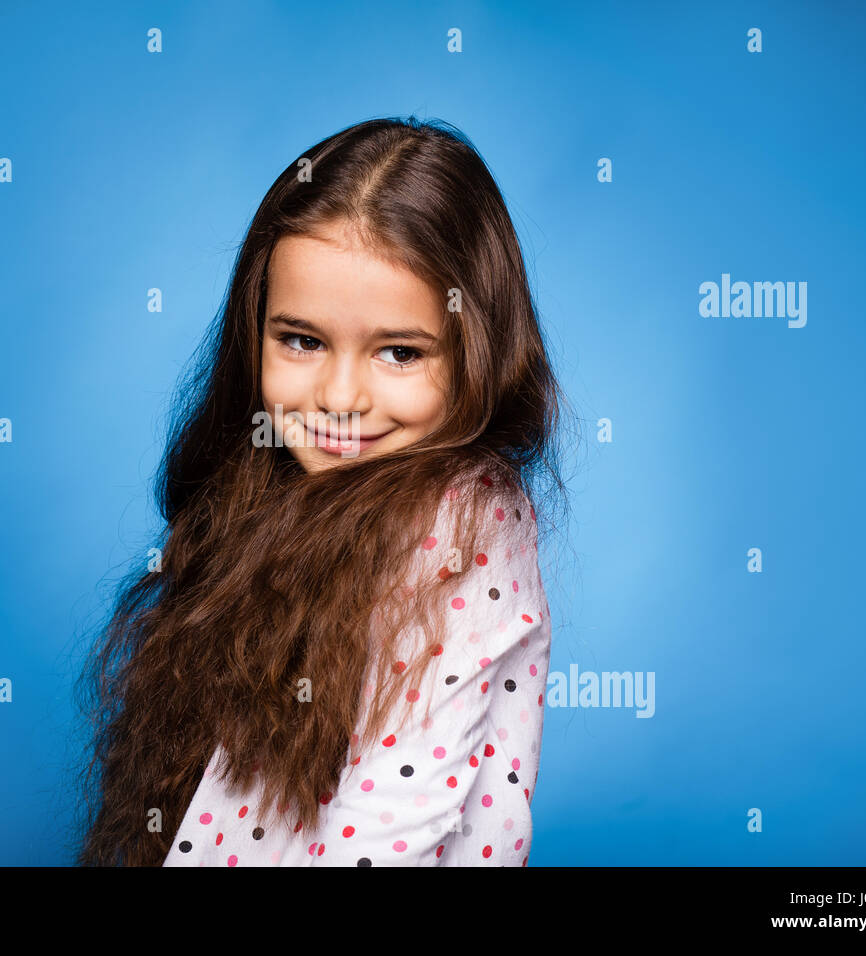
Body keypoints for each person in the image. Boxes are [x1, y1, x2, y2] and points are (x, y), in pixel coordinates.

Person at [75, 116, 568, 866]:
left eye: (400, 352)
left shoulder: (469, 517)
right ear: (256, 331)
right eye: (302, 340)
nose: (339, 395)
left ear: (479, 349)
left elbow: (386, 829)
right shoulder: (278, 492)